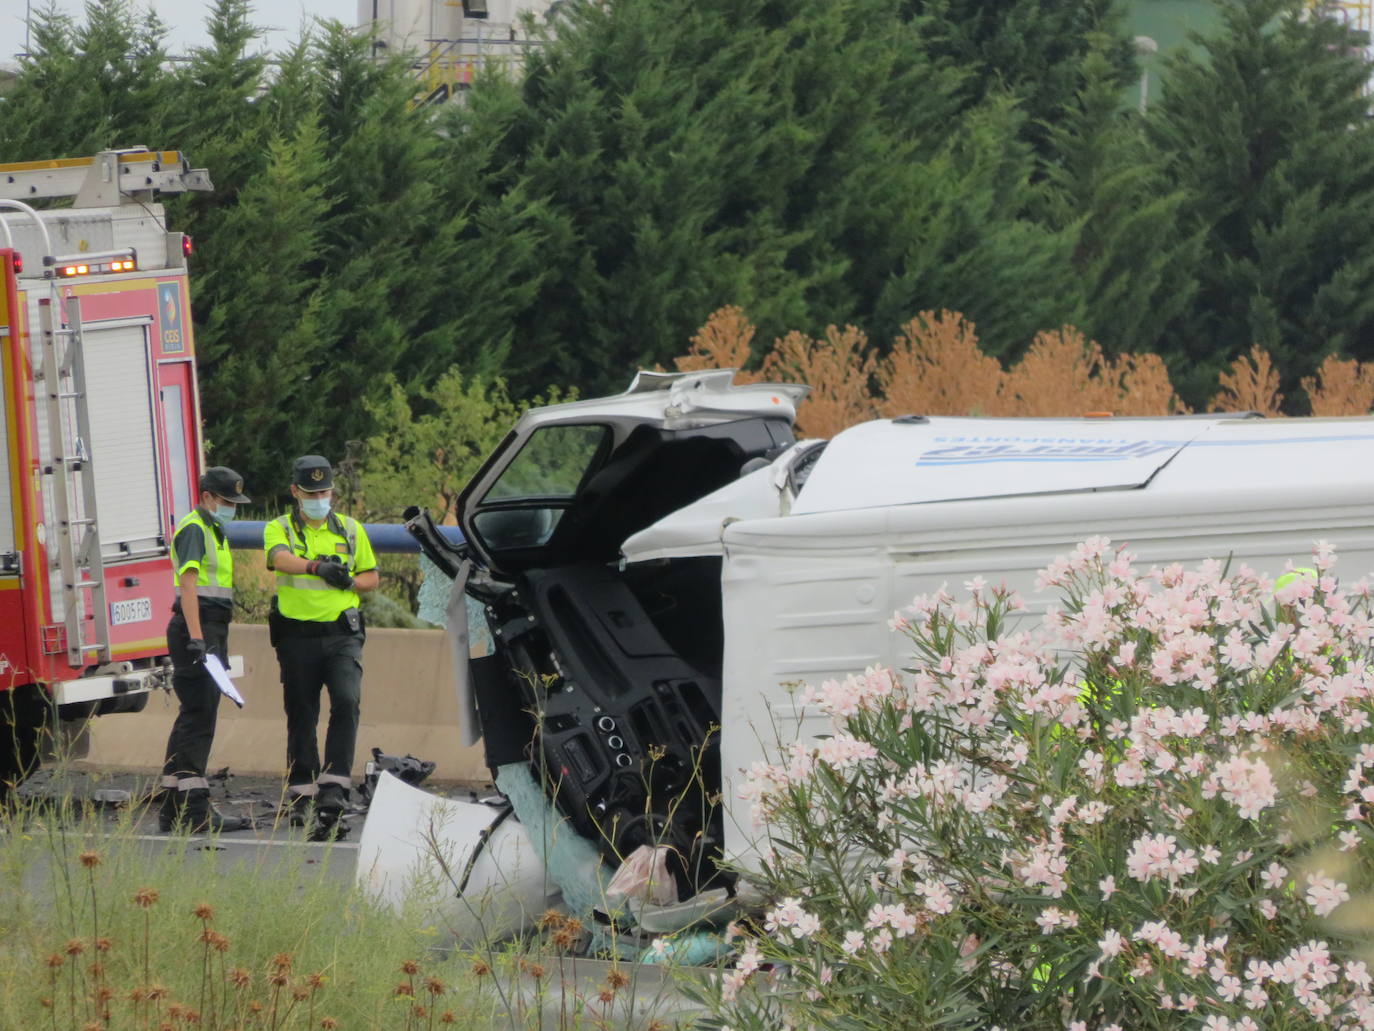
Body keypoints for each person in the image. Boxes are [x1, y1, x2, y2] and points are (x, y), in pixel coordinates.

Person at [264, 455, 378, 838]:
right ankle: (301, 792)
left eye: (325, 491)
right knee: (301, 711)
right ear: (296, 492)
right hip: (297, 635)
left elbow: (371, 576)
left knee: (346, 701)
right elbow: (279, 559)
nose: (319, 498)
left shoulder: (349, 529)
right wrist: (316, 567)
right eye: (312, 492)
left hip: (342, 633)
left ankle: (334, 788)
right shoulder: (279, 527)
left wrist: (349, 582)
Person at [159, 467, 252, 833]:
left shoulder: (213, 529)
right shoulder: (196, 529)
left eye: (235, 502)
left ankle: (172, 807)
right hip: (197, 630)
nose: (231, 507)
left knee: (193, 713)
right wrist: (197, 639)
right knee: (200, 718)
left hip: (207, 629)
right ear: (208, 496)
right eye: (226, 501)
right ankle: (195, 811)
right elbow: (189, 585)